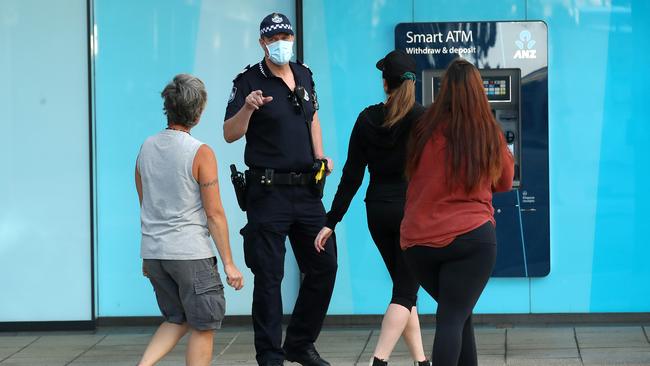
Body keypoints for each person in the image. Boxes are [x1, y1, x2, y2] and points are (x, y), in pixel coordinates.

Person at [223, 13, 337, 366]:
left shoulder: (303, 73)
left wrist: (320, 157)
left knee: (324, 265)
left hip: (306, 193)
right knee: (270, 278)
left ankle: (300, 343)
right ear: (262, 42)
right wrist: (248, 108)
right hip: (267, 193)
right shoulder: (247, 81)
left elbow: (312, 116)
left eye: (286, 35)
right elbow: (229, 133)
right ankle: (270, 356)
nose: (281, 41)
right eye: (274, 37)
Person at [314, 50, 429, 366]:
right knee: (404, 293)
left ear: (384, 83)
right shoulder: (422, 119)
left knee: (405, 292)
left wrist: (330, 221)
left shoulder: (366, 119)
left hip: (377, 212)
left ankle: (422, 361)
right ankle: (378, 360)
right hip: (411, 215)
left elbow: (351, 176)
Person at [400, 58, 515, 366]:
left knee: (458, 313)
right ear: (479, 91)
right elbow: (504, 182)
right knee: (452, 316)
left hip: (419, 243)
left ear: (443, 90)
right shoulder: (487, 131)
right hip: (470, 240)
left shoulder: (423, 128)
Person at [135, 74, 244, 366]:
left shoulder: (145, 147)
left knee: (176, 318)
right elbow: (214, 213)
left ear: (168, 106)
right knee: (203, 324)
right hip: (190, 255)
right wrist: (229, 263)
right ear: (199, 111)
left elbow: (145, 202)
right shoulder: (200, 153)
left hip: (155, 253)